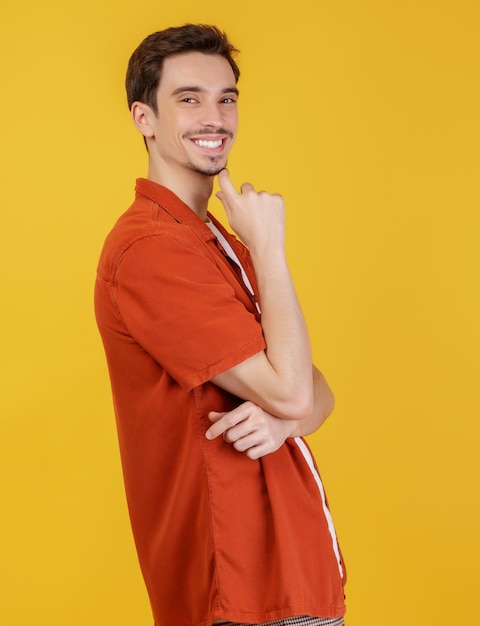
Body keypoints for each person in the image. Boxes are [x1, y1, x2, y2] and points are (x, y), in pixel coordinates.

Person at [94, 23, 346, 626]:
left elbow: (316, 393)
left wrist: (285, 420)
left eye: (226, 97)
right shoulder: (152, 249)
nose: (216, 116)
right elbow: (293, 390)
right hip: (236, 584)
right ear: (144, 118)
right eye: (189, 98)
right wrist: (272, 251)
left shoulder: (213, 239)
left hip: (291, 574)